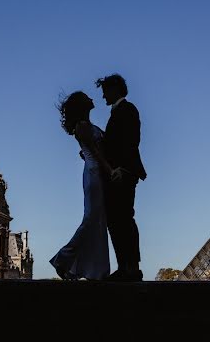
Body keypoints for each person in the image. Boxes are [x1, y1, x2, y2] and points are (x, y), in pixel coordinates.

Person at [50, 91, 113, 281]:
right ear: (81, 105)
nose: (92, 99)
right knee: (92, 220)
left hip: (94, 171)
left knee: (98, 221)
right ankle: (63, 259)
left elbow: (89, 151)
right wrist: (110, 171)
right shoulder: (83, 126)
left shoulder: (85, 126)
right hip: (95, 174)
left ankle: (96, 271)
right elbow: (96, 152)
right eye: (87, 97)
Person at [96, 73, 146, 282]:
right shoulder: (121, 111)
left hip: (122, 173)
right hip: (120, 172)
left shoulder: (127, 109)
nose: (103, 96)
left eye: (105, 91)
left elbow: (130, 142)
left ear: (115, 89)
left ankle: (130, 267)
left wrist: (122, 169)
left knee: (122, 219)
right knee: (118, 220)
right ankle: (126, 266)